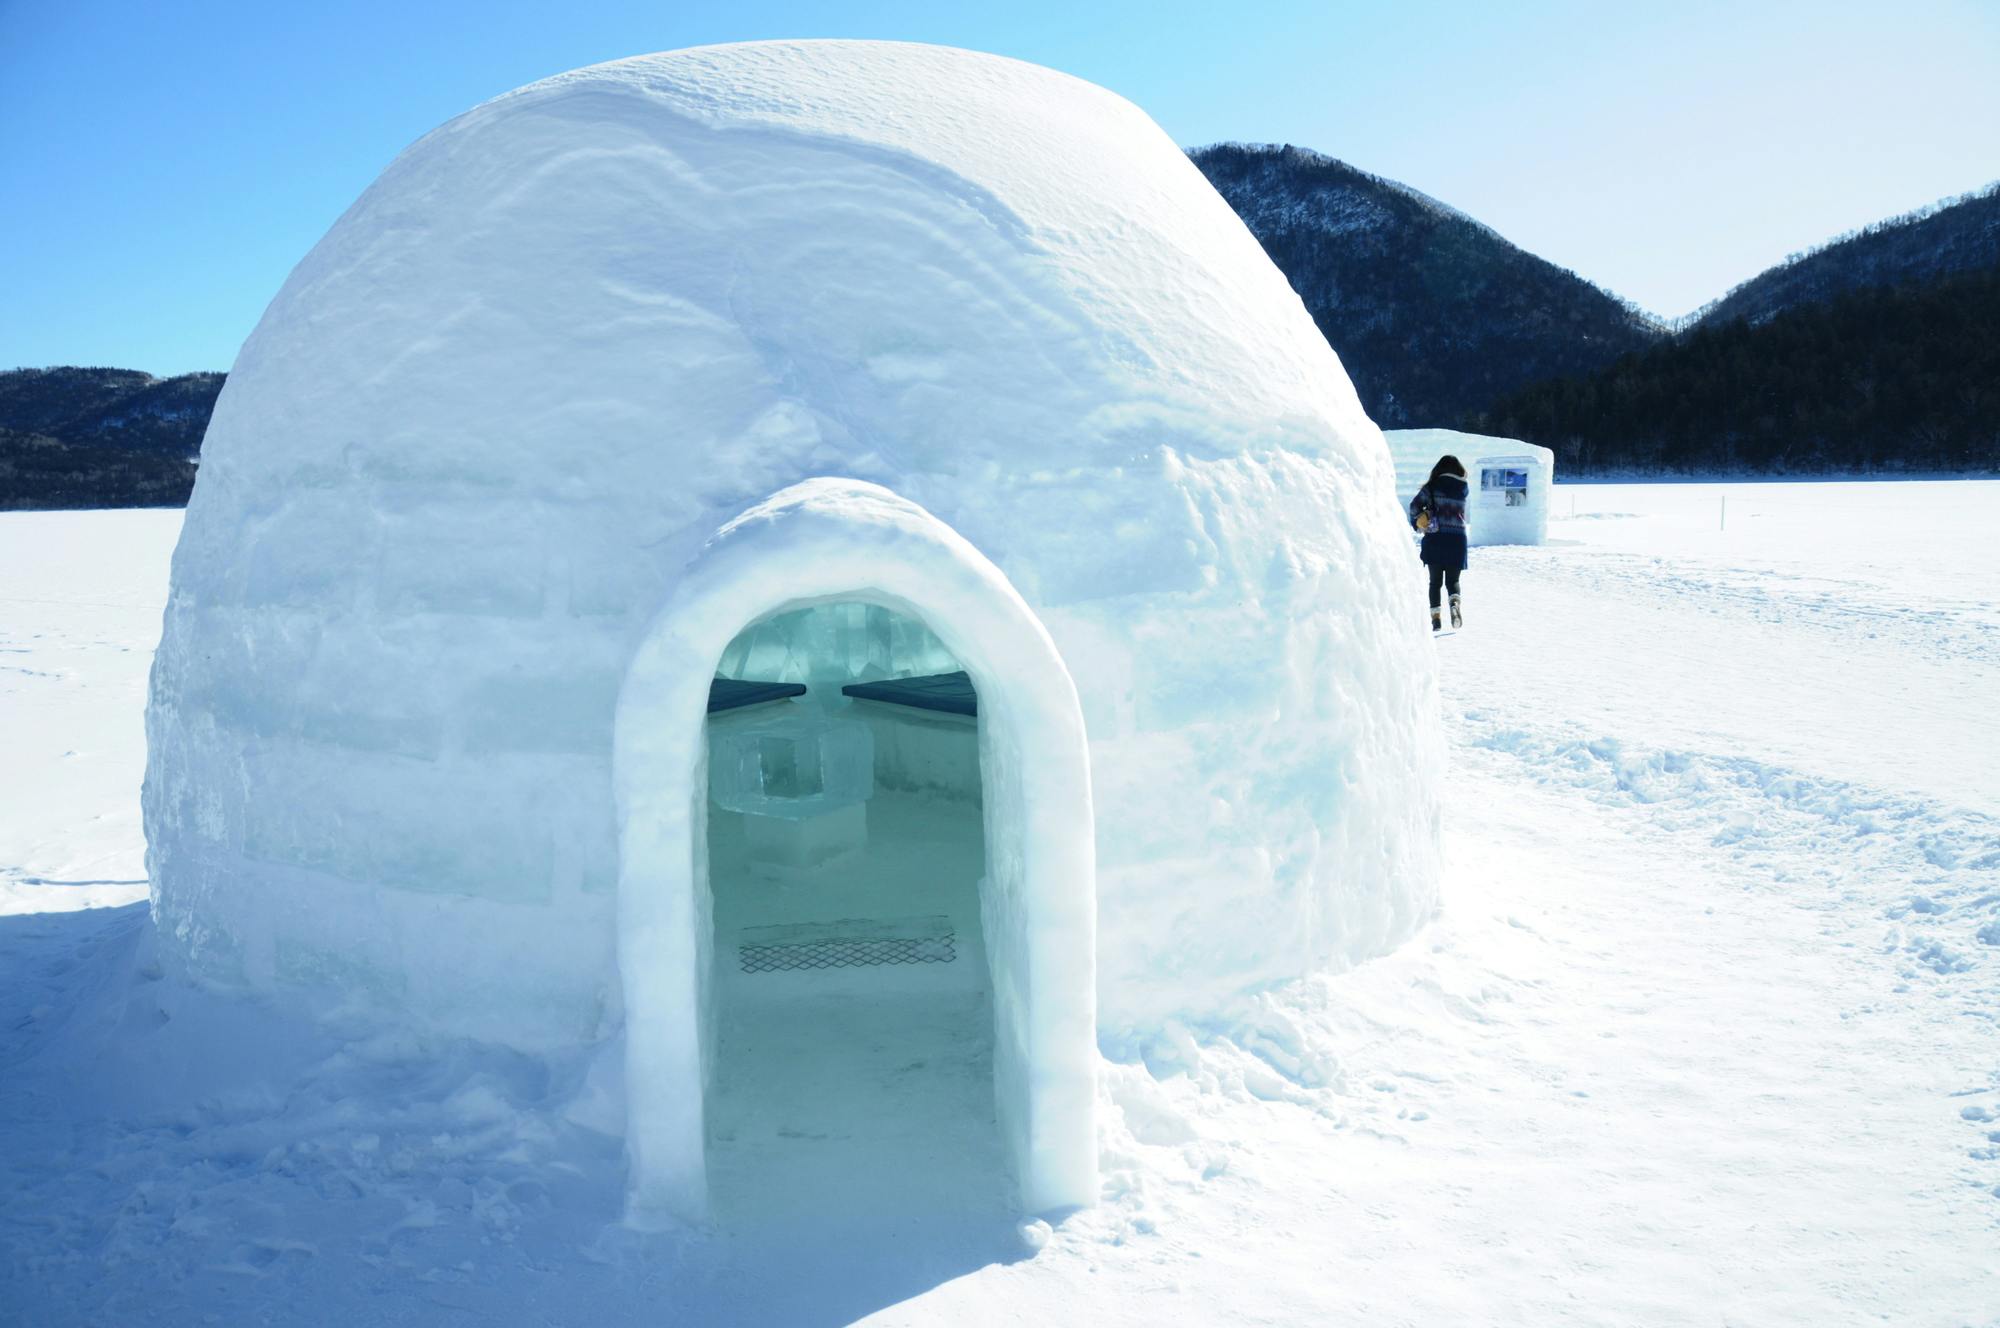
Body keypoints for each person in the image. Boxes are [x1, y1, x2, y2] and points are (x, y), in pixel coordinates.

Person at [1408, 455, 1469, 631]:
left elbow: (1413, 507)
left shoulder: (1432, 487)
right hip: (1457, 539)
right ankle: (1454, 603)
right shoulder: (1463, 487)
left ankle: (1436, 619)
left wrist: (1422, 517)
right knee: (1453, 581)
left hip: (1435, 539)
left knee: (1435, 582)